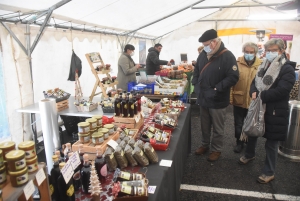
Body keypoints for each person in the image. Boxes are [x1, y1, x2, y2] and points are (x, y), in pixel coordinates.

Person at [239, 38, 295, 184]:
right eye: (268, 50)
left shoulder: (286, 68)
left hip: (275, 111)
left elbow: (283, 90)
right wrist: (253, 91)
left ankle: (269, 172)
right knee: (252, 132)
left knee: (271, 142)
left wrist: (261, 95)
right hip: (259, 107)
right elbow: (254, 82)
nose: (270, 53)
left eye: (274, 50)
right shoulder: (264, 64)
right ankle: (249, 154)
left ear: (282, 51)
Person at [193, 29, 239, 162]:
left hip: (218, 98)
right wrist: (195, 83)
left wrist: (217, 88)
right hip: (203, 97)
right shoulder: (203, 54)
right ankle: (205, 145)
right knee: (204, 125)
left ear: (214, 42)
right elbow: (197, 70)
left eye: (206, 44)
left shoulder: (227, 56)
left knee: (218, 128)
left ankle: (216, 149)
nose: (205, 47)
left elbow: (233, 77)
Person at [230, 42, 261, 153]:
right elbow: (231, 82)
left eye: (251, 52)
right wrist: (230, 98)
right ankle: (239, 142)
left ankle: (249, 143)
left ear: (255, 52)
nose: (249, 54)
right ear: (243, 52)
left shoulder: (261, 65)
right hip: (239, 98)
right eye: (246, 52)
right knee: (238, 123)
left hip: (254, 100)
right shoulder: (236, 63)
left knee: (251, 124)